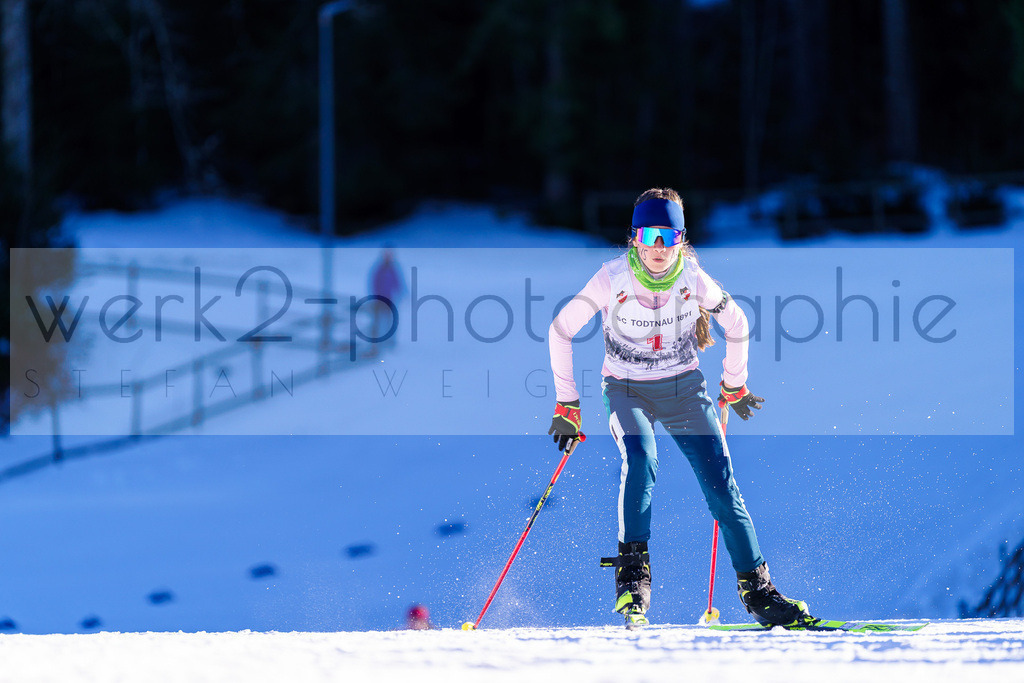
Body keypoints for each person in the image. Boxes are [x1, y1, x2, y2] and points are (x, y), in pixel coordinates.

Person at [547, 187, 812, 629]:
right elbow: (561, 329)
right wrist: (567, 402)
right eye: (648, 236)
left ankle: (759, 592)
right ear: (633, 237)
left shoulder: (692, 277)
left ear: (681, 239)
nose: (658, 248)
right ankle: (633, 579)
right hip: (627, 388)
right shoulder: (612, 278)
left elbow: (737, 322)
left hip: (684, 390)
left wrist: (734, 382)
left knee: (722, 486)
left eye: (668, 237)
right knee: (641, 457)